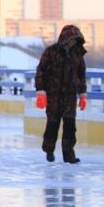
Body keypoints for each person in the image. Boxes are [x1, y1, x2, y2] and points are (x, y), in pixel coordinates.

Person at [35, 24, 87, 163]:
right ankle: (49, 150)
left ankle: (69, 155)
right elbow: (41, 71)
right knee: (53, 124)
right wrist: (40, 91)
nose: (73, 42)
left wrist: (83, 94)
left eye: (76, 39)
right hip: (53, 94)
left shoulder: (78, 54)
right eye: (71, 39)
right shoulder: (51, 52)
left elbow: (81, 75)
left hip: (70, 95)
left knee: (70, 126)